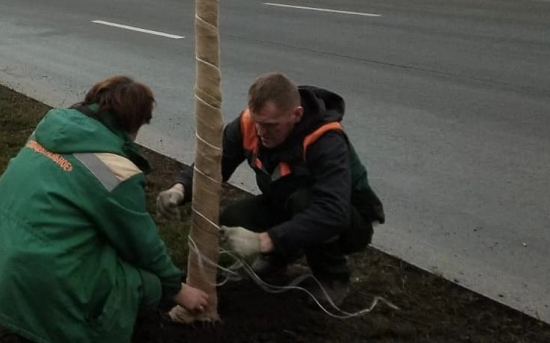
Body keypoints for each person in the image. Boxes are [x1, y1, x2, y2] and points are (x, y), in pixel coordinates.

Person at [0, 76, 209, 343]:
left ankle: (30, 315)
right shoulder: (112, 168)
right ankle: (73, 335)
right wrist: (179, 290)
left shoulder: (51, 130)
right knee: (149, 285)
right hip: (42, 283)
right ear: (133, 123)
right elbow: (141, 242)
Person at [157, 72, 384, 305]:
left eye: (270, 126)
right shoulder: (250, 125)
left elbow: (332, 212)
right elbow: (212, 167)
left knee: (304, 202)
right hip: (286, 202)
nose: (261, 132)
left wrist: (263, 241)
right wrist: (180, 188)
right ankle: (279, 257)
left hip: (347, 221)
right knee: (234, 217)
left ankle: (332, 277)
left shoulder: (326, 140)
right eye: (258, 123)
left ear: (296, 115)